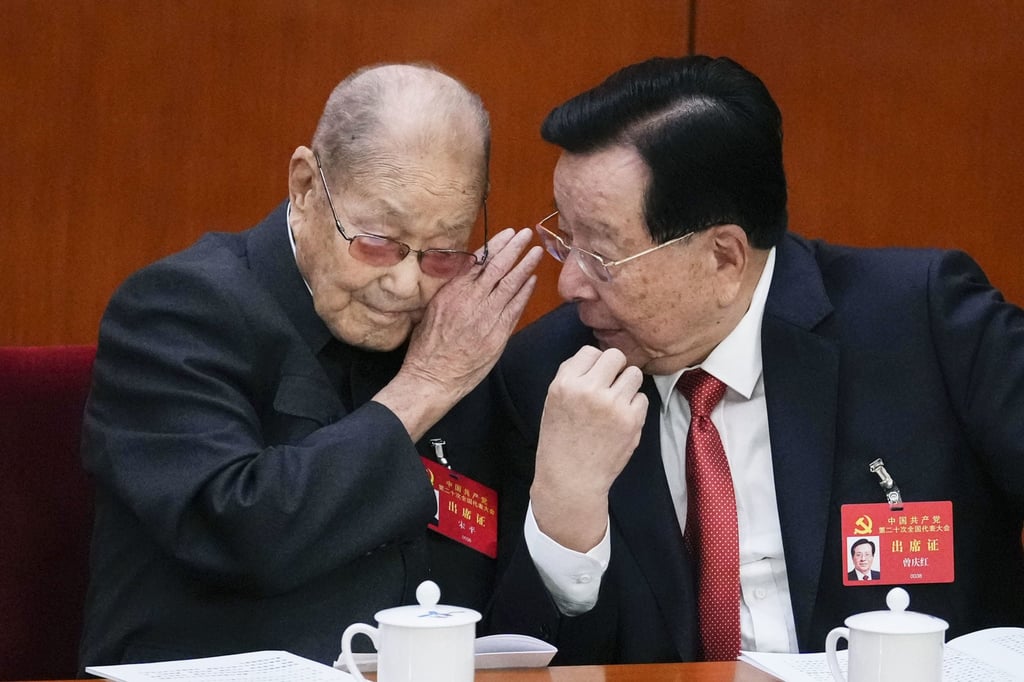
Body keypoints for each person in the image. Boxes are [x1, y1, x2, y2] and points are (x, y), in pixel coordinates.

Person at [484, 55, 1024, 664]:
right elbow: (525, 661)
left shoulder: (922, 321)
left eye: (602, 254)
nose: (571, 285)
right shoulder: (546, 376)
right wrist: (565, 513)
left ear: (724, 257)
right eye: (567, 240)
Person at [79, 63, 542, 668]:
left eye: (444, 250)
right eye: (379, 241)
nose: (405, 284)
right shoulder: (177, 309)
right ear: (303, 186)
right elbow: (242, 533)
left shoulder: (452, 326)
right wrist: (424, 387)